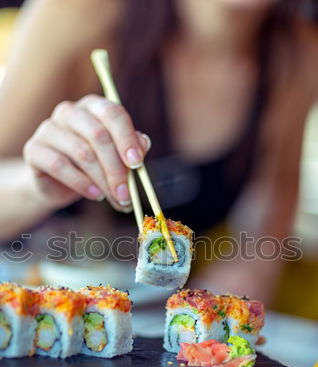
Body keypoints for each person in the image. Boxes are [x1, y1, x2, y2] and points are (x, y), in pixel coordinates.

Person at [0, 0, 317, 303]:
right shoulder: (76, 13)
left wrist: (244, 276)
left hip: (153, 319)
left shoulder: (298, 54)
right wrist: (35, 183)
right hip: (25, 292)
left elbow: (272, 199)